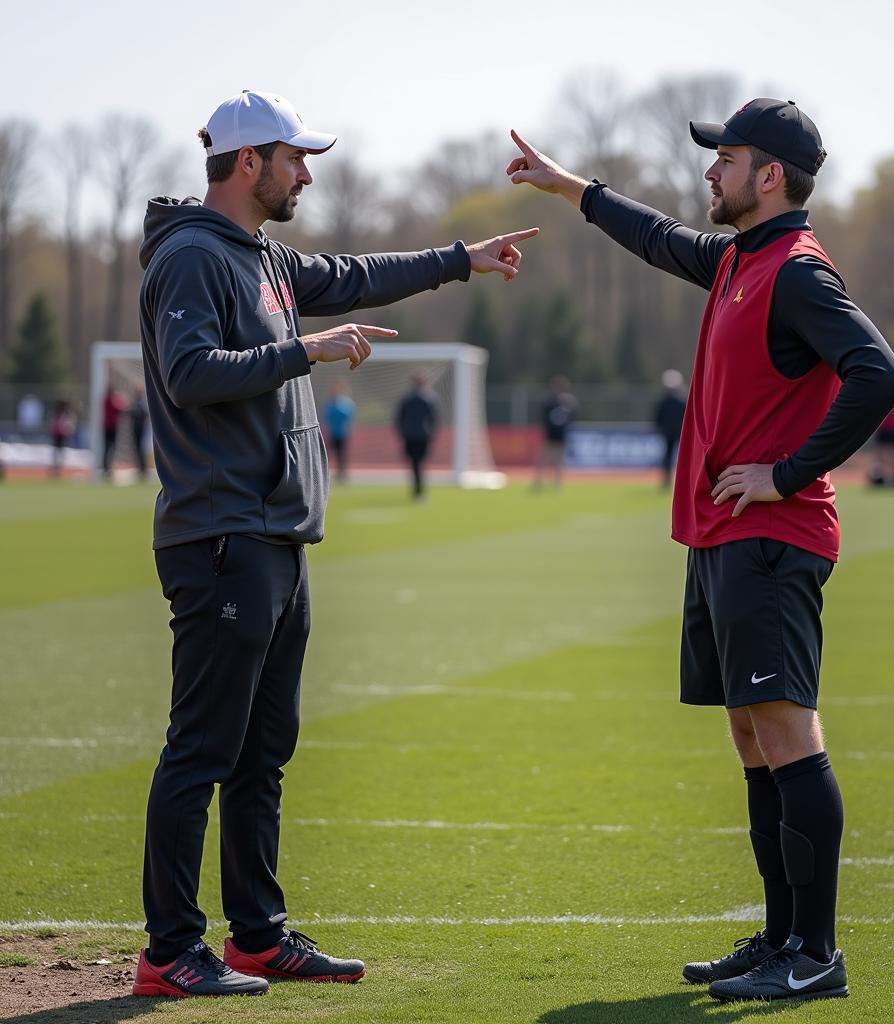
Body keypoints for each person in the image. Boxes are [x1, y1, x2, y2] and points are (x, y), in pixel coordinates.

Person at [133, 88, 538, 1000]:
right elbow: (191, 373)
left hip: (276, 535)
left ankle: (257, 936)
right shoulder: (197, 256)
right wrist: (305, 353)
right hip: (222, 537)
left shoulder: (260, 254)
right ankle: (168, 952)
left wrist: (459, 262)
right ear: (249, 164)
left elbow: (353, 275)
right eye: (294, 158)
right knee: (202, 748)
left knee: (263, 749)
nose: (306, 172)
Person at [508, 99, 894, 1003]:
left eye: (725, 160)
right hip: (722, 537)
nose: (708, 174)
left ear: (771, 177)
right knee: (750, 736)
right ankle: (778, 939)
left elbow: (877, 374)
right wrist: (566, 184)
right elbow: (652, 236)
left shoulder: (798, 272)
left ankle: (817, 952)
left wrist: (788, 472)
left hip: (772, 535)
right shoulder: (738, 258)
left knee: (786, 730)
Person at [395, 371, 437, 499]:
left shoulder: (418, 399)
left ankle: (418, 489)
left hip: (416, 436)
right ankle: (418, 489)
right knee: (417, 463)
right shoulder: (425, 399)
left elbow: (399, 418)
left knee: (416, 463)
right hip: (416, 435)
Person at [533, 375, 576, 490]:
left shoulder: (568, 401)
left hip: (561, 437)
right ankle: (539, 483)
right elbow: (544, 414)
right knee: (542, 461)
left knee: (559, 462)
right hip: (549, 436)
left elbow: (572, 418)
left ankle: (558, 485)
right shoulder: (550, 401)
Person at [652, 369, 687, 489]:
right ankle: (681, 480)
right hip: (678, 433)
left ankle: (668, 480)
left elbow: (658, 418)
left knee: (670, 456)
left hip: (670, 433)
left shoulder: (665, 401)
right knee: (681, 457)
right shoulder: (681, 401)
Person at [323, 382, 356, 481]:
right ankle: (324, 472)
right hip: (332, 432)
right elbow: (326, 416)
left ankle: (342, 473)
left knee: (341, 454)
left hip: (342, 433)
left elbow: (349, 415)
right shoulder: (329, 403)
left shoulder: (346, 402)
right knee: (327, 453)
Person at [870, 400, 894, 488]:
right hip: (882, 428)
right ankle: (879, 479)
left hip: (893, 430)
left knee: (893, 457)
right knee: (879, 457)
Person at [102, 385, 127, 478]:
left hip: (109, 426)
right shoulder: (109, 398)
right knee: (110, 448)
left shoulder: (107, 398)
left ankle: (107, 468)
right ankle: (107, 468)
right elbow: (118, 408)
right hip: (111, 426)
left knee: (108, 448)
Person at [50, 399, 76, 478]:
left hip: (60, 435)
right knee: (58, 453)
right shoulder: (61, 414)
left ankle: (57, 470)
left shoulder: (62, 414)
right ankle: (56, 470)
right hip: (59, 435)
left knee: (59, 453)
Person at [129, 386, 149, 480]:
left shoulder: (142, 404)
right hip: (136, 429)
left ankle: (143, 469)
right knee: (137, 449)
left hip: (141, 429)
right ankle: (140, 468)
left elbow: (144, 414)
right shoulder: (135, 404)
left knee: (141, 449)